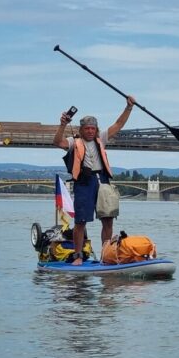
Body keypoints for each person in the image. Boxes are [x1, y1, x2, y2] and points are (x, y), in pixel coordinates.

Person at [53, 96, 135, 265]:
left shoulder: (101, 139)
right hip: (84, 182)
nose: (90, 131)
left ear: (96, 129)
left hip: (102, 180)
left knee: (107, 218)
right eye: (87, 128)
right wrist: (62, 124)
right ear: (82, 130)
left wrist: (128, 108)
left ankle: (107, 253)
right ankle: (77, 256)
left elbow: (118, 125)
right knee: (81, 220)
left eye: (93, 128)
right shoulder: (73, 142)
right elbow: (57, 142)